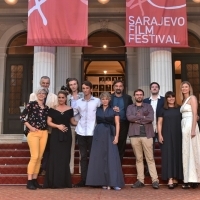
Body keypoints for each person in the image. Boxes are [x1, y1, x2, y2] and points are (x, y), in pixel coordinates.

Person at [86, 92, 125, 190]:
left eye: (106, 99)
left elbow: (117, 124)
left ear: (109, 100)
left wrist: (117, 136)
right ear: (100, 100)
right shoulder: (97, 110)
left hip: (110, 133)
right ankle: (102, 181)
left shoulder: (114, 110)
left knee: (112, 157)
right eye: (103, 99)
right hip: (99, 133)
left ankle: (114, 182)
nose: (105, 100)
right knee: (99, 157)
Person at [43, 90, 77, 188]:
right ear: (57, 98)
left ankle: (64, 182)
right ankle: (53, 182)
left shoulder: (70, 109)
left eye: (63, 97)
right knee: (54, 157)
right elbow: (48, 122)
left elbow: (72, 122)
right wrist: (58, 126)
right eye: (59, 97)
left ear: (66, 98)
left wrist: (84, 122)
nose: (61, 99)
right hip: (55, 135)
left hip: (67, 136)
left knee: (65, 158)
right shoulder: (52, 109)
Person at [126, 89, 159, 189]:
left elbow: (151, 118)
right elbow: (129, 117)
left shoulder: (148, 106)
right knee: (139, 158)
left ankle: (155, 180)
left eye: (141, 94)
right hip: (134, 135)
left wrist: (137, 119)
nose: (139, 96)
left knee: (150, 158)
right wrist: (143, 118)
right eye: (137, 95)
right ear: (134, 96)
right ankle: (140, 180)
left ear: (143, 96)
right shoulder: (130, 107)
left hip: (147, 135)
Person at [73, 81, 101, 187]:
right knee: (83, 156)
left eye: (87, 88)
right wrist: (75, 122)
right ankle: (83, 180)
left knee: (94, 156)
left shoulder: (97, 101)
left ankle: (94, 180)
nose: (85, 90)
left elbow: (103, 111)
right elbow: (73, 114)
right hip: (81, 132)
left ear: (91, 89)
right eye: (83, 88)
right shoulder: (78, 102)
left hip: (93, 132)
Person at [20, 88, 49, 190]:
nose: (41, 95)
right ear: (37, 95)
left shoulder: (46, 108)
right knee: (34, 156)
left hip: (44, 133)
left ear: (46, 95)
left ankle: (35, 180)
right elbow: (22, 117)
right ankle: (29, 181)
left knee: (40, 157)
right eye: (39, 93)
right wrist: (30, 127)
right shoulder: (31, 104)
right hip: (33, 132)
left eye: (43, 93)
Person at [29, 76, 57, 176]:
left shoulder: (54, 97)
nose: (45, 85)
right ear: (40, 83)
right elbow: (30, 112)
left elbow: (54, 111)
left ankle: (43, 168)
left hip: (48, 128)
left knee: (47, 149)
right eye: (43, 83)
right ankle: (34, 171)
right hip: (35, 129)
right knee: (35, 153)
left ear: (49, 84)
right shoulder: (33, 95)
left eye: (47, 83)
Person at [157, 91, 183, 189]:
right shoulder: (162, 109)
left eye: (173, 97)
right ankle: (170, 178)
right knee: (168, 155)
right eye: (169, 97)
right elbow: (159, 123)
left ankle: (176, 177)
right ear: (166, 99)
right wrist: (160, 135)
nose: (171, 98)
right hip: (166, 134)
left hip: (178, 135)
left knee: (177, 155)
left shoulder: (179, 108)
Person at [180, 81, 200, 189]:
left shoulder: (192, 98)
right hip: (184, 124)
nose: (184, 88)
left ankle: (195, 179)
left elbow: (195, 113)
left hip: (190, 125)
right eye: (182, 87)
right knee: (186, 152)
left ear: (189, 88)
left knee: (193, 151)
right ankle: (188, 178)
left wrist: (193, 129)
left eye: (186, 87)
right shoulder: (183, 100)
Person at [110, 80, 133, 163]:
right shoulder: (109, 97)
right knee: (111, 143)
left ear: (123, 88)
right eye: (116, 86)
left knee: (121, 143)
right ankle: (112, 163)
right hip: (111, 124)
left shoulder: (128, 98)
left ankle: (119, 163)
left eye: (120, 86)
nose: (118, 88)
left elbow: (131, 109)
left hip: (124, 123)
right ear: (113, 87)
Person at [66, 78, 84, 174]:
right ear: (69, 86)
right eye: (71, 84)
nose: (73, 86)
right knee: (71, 148)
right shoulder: (67, 97)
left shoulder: (83, 96)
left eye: (74, 84)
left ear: (78, 85)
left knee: (82, 149)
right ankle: (70, 170)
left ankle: (82, 170)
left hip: (81, 126)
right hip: (71, 125)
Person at [143, 82, 164, 151]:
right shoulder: (145, 101)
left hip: (162, 128)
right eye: (152, 87)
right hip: (149, 128)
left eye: (156, 87)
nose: (154, 88)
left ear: (159, 89)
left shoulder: (164, 100)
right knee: (149, 149)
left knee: (164, 147)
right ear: (150, 89)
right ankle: (151, 162)